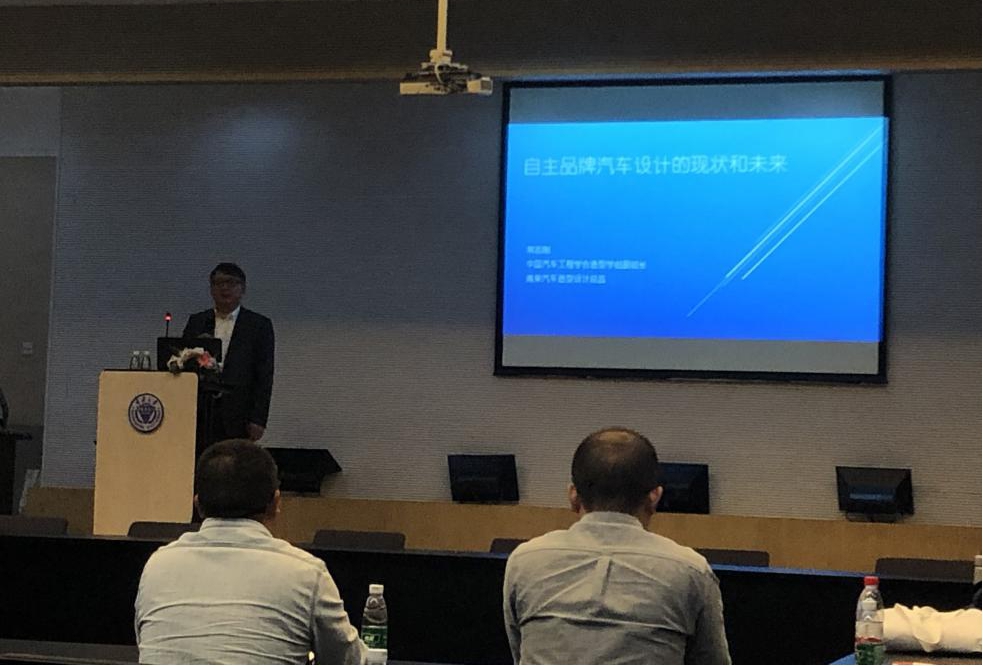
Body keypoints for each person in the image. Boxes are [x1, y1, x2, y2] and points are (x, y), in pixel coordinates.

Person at [503, 427, 731, 665]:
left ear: (573, 496)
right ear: (654, 497)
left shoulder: (525, 562)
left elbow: (520, 652)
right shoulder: (690, 571)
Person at [135, 439, 367, 665]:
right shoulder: (306, 573)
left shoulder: (157, 566)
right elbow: (349, 661)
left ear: (198, 505)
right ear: (276, 503)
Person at [183, 263, 274, 452]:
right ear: (211, 289)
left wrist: (258, 419)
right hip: (201, 413)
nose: (225, 288)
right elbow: (185, 364)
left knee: (233, 464)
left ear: (243, 289)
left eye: (231, 283)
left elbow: (264, 376)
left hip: (239, 414)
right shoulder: (197, 322)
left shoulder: (259, 325)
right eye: (219, 283)